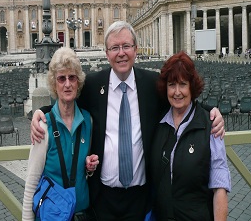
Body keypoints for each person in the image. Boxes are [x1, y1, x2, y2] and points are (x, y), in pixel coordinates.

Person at [30, 21, 225, 221]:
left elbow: (179, 97)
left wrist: (210, 111)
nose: (121, 53)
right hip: (103, 198)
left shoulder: (152, 83)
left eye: (126, 46)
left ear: (135, 50)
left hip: (141, 197)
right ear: (107, 53)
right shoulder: (93, 85)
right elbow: (67, 98)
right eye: (115, 48)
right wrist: (42, 111)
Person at [150, 51, 230, 221]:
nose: (177, 92)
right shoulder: (158, 122)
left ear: (192, 87)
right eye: (172, 85)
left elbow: (220, 186)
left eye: (183, 84)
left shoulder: (211, 125)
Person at [22, 47, 99, 220]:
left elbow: (81, 169)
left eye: (72, 77)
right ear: (54, 84)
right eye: (61, 78)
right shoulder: (43, 126)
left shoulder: (88, 121)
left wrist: (88, 167)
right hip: (53, 215)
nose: (67, 84)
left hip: (82, 214)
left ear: (78, 82)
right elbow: (32, 181)